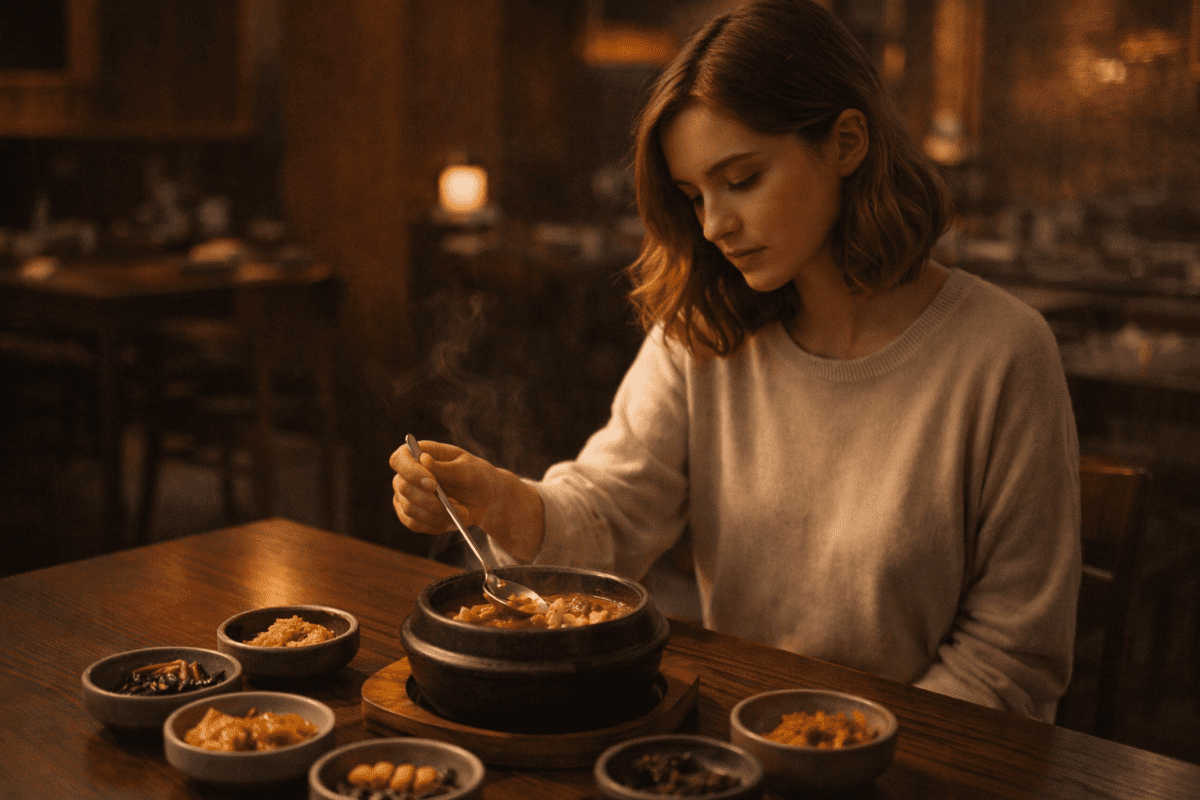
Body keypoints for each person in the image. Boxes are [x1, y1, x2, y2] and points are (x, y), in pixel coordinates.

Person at [391, 0, 1080, 722]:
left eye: (743, 179)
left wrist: (839, 746)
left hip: (919, 763)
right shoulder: (706, 332)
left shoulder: (1003, 352)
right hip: (735, 741)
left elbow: (1011, 659)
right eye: (693, 196)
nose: (715, 225)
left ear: (846, 142)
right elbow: (610, 518)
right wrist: (501, 500)